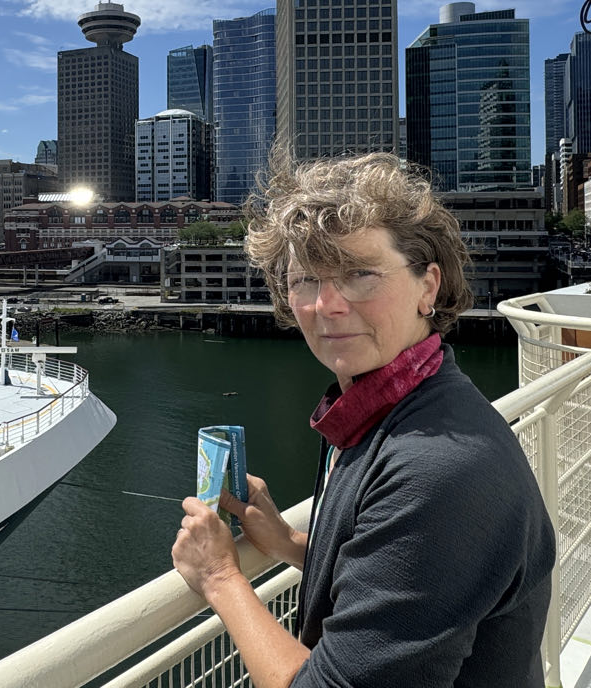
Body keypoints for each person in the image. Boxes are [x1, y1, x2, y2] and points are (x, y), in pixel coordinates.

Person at [172, 152, 556, 688]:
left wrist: (220, 577)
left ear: (428, 286)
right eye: (306, 279)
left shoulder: (437, 471)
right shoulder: (398, 409)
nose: (326, 304)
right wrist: (288, 542)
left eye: (360, 274)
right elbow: (402, 580)